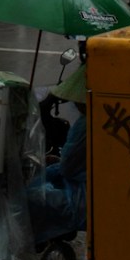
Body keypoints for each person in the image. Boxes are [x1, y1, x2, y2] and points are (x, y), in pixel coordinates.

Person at [28, 64, 87, 246]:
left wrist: (57, 165)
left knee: (28, 198)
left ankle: (32, 244)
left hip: (83, 201)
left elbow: (69, 167)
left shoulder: (84, 126)